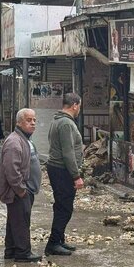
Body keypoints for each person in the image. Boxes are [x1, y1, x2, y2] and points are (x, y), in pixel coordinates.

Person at [0, 108, 42, 262]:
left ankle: (11, 251)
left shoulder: (24, 139)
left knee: (14, 221)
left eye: (34, 120)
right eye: (29, 120)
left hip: (25, 189)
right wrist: (21, 190)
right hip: (19, 191)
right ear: (19, 122)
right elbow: (11, 170)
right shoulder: (14, 142)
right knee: (21, 221)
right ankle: (23, 253)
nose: (33, 123)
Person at [44, 93, 84, 256]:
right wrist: (76, 176)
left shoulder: (57, 120)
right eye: (79, 106)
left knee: (61, 205)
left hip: (57, 168)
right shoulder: (66, 123)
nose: (79, 109)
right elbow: (68, 152)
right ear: (74, 105)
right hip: (62, 170)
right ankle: (53, 243)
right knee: (64, 208)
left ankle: (59, 239)